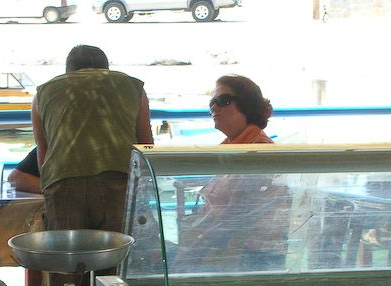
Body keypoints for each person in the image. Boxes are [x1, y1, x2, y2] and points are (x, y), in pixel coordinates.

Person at [32, 44, 153, 233]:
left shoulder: (43, 93)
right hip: (119, 182)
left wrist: (48, 190)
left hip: (63, 184)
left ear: (68, 72)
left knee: (66, 257)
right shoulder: (132, 86)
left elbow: (43, 150)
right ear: (106, 68)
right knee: (119, 256)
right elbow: (146, 145)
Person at [176, 75, 289, 272]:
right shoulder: (231, 148)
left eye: (223, 101)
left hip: (252, 258)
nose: (214, 108)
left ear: (247, 105)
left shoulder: (257, 151)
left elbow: (237, 214)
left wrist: (194, 252)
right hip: (231, 250)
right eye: (212, 102)